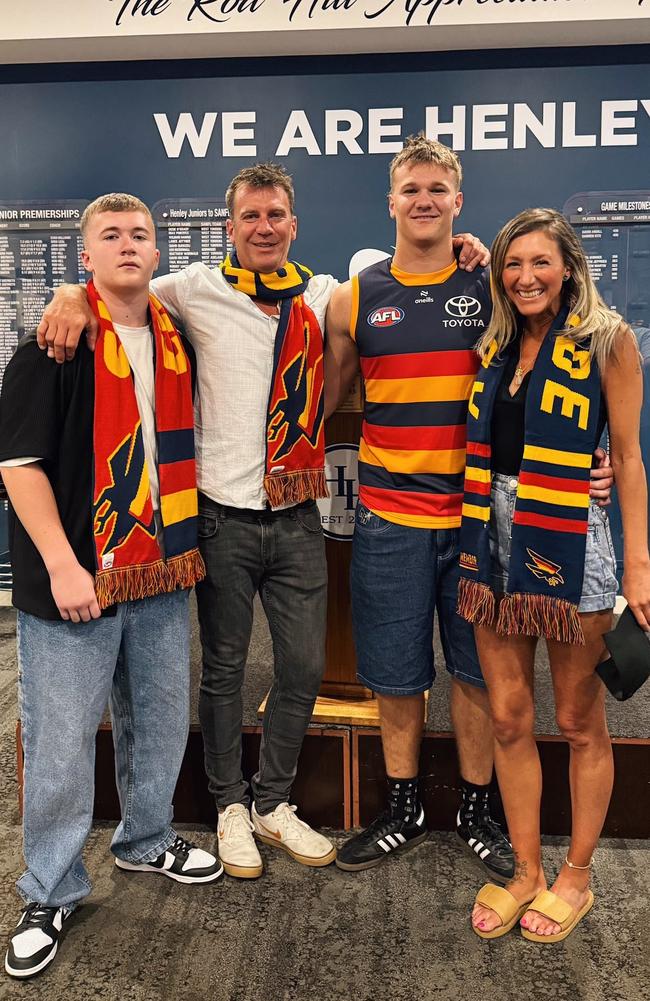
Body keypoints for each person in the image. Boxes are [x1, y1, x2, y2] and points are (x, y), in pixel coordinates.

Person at [36, 163, 487, 881]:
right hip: (221, 518)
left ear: (294, 224)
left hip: (296, 515)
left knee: (304, 666)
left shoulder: (323, 293)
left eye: (276, 214)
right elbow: (115, 293)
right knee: (223, 670)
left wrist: (472, 252)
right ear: (230, 227)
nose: (264, 227)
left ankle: (273, 800)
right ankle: (228, 806)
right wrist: (66, 291)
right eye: (251, 216)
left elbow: (406, 276)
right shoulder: (191, 290)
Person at [325, 137, 611, 881]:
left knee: (480, 676)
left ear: (458, 202)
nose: (424, 199)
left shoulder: (492, 288)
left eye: (438, 189)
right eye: (411, 188)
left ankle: (479, 809)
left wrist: (594, 460)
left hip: (479, 522)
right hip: (388, 517)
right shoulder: (353, 297)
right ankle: (404, 804)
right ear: (390, 202)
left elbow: (549, 382)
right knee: (393, 671)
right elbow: (327, 400)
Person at [0, 193, 222, 981]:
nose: (128, 244)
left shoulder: (177, 340)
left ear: (157, 254)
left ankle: (146, 837)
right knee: (61, 740)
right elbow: (19, 466)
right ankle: (50, 887)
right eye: (109, 235)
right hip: (75, 579)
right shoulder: (54, 343)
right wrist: (62, 564)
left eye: (141, 234)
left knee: (160, 717)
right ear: (83, 257)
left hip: (160, 569)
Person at [458, 208, 649, 942]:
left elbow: (627, 457)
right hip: (491, 537)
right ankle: (528, 869)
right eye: (512, 264)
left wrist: (639, 563)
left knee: (576, 720)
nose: (525, 276)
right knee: (508, 716)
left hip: (572, 538)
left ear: (569, 265)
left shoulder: (608, 341)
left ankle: (577, 873)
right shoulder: (496, 343)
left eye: (540, 262)